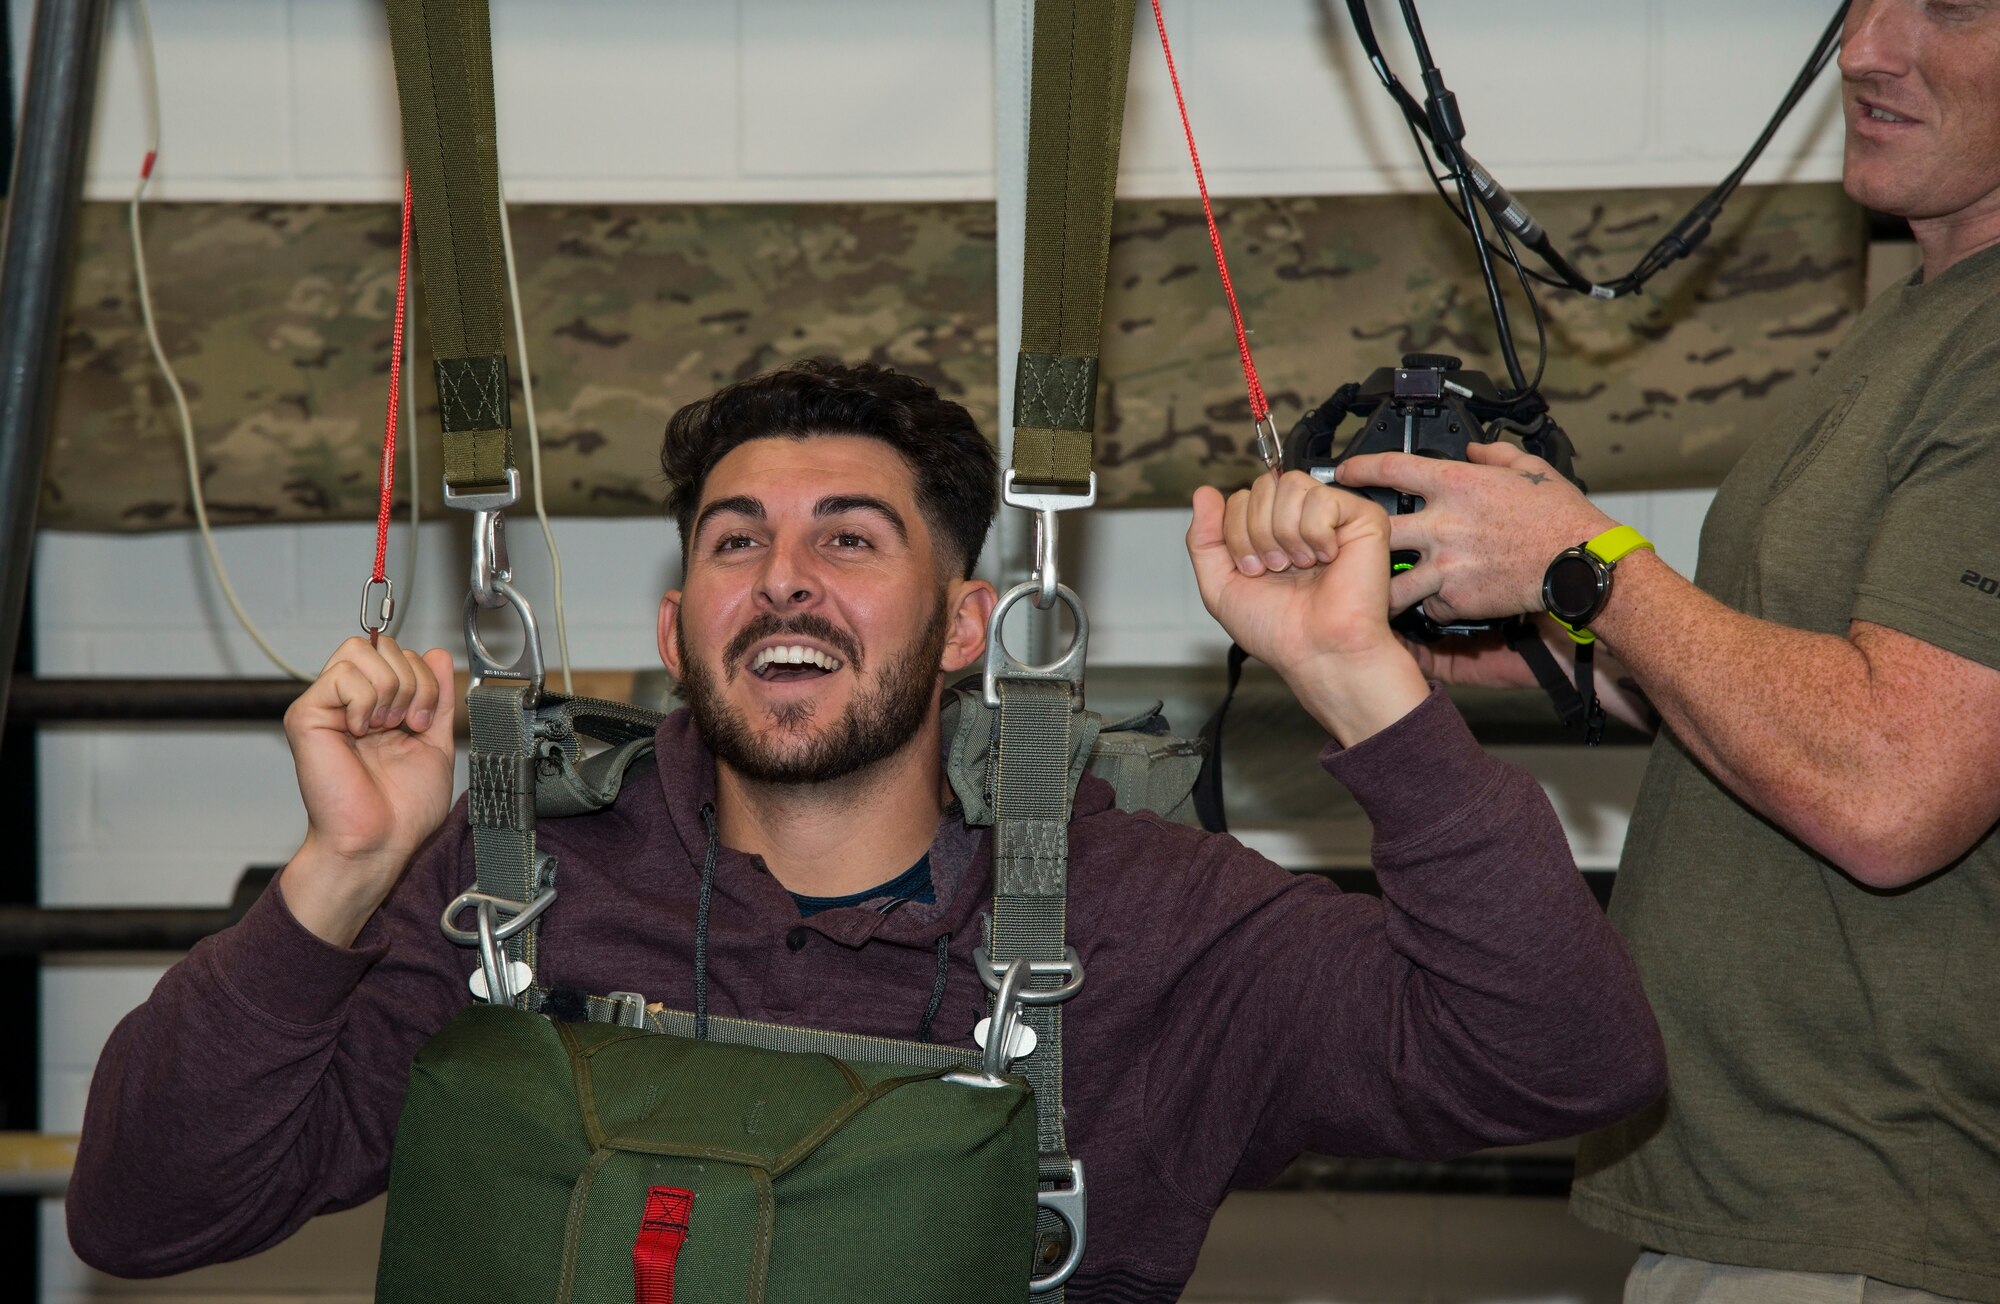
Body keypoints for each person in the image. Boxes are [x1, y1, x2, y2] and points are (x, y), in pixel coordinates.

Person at [66, 360, 1664, 1300]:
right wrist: (341, 873)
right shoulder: (512, 897)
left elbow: (1562, 1066)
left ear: (971, 625)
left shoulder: (1151, 921)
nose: (784, 579)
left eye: (851, 539)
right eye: (736, 541)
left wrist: (1365, 690)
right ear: (680, 620)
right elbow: (143, 1211)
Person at [1332, 2, 2000, 1301]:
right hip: (1764, 1200)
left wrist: (1586, 567)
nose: (1865, 49)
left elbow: (1894, 787)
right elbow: (1813, 688)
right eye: (1857, 0)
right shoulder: (1923, 318)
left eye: (1952, 4)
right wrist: (1566, 650)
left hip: (1873, 1213)